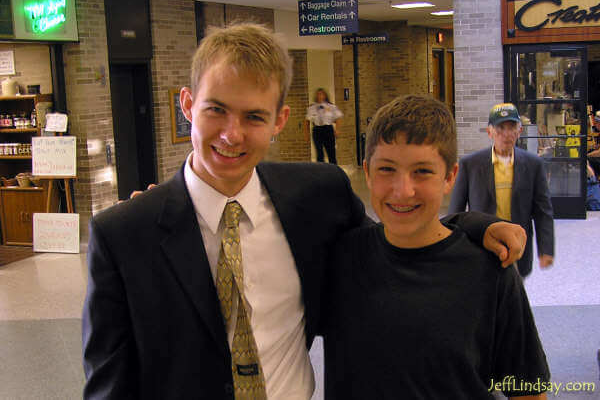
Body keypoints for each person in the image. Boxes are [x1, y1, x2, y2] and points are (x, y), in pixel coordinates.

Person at [82, 23, 526, 400]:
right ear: (187, 106)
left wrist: (474, 222)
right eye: (216, 110)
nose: (231, 135)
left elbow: (399, 229)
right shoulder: (123, 235)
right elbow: (108, 386)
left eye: (254, 117)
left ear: (279, 121)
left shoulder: (316, 194)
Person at [325, 95, 549, 399]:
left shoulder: (489, 270)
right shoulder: (339, 259)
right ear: (367, 172)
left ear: (450, 177)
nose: (403, 191)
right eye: (387, 169)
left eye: (423, 171)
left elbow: (526, 389)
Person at [448, 103, 555, 278]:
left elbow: (543, 210)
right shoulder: (470, 165)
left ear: (519, 131)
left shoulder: (533, 165)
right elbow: (456, 212)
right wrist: (453, 249)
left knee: (514, 295)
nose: (506, 134)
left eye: (512, 127)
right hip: (482, 244)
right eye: (500, 128)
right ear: (489, 132)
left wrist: (546, 249)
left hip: (518, 246)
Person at [304, 88, 342, 164]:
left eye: (322, 94)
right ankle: (321, 171)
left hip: (328, 129)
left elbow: (338, 117)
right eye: (318, 94)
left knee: (331, 152)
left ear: (325, 95)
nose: (320, 96)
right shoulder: (312, 107)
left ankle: (333, 170)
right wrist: (306, 134)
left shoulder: (331, 106)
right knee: (319, 153)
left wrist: (337, 129)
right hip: (317, 130)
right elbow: (306, 121)